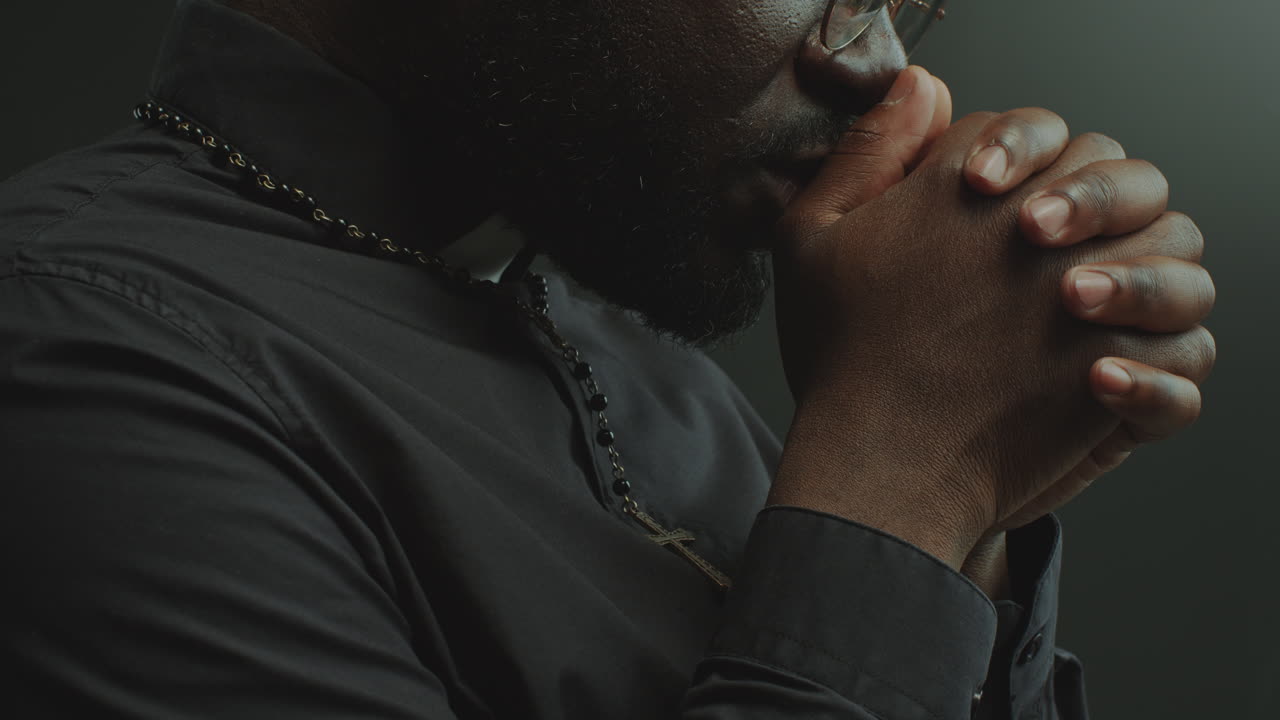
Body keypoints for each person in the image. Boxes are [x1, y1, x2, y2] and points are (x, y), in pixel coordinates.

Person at [0, 0, 1216, 718]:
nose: (879, 64)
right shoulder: (75, 367)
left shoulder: (637, 358)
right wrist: (905, 476)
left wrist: (973, 498)